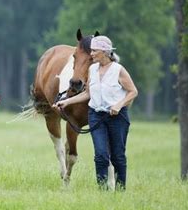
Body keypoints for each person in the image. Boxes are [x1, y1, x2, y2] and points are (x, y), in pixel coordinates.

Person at [53, 35, 138, 190]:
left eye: (94, 50)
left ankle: (120, 189)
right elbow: (87, 94)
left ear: (105, 52)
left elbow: (133, 92)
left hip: (117, 117)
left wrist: (119, 105)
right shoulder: (92, 70)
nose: (91, 53)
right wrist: (66, 101)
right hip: (96, 116)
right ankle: (102, 190)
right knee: (100, 155)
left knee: (118, 156)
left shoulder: (118, 70)